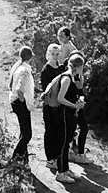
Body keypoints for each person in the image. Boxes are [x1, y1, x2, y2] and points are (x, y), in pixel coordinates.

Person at [44, 53, 86, 180]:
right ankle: (61, 173)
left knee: (66, 142)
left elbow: (78, 91)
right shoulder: (67, 78)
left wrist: (79, 101)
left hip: (68, 114)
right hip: (64, 114)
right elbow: (60, 98)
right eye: (82, 67)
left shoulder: (73, 77)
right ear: (79, 66)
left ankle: (65, 169)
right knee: (63, 143)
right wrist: (74, 106)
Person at [38, 44, 66, 175]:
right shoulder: (46, 70)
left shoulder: (61, 68)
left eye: (57, 54)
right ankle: (50, 159)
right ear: (48, 54)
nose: (55, 56)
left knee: (59, 132)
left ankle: (56, 157)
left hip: (60, 104)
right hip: (50, 105)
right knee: (50, 131)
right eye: (52, 53)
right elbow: (46, 89)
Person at [8, 46, 36, 166]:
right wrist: (23, 101)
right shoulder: (24, 71)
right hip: (20, 103)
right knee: (27, 134)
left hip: (15, 102)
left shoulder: (18, 67)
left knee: (23, 132)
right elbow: (20, 89)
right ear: (31, 58)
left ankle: (24, 160)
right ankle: (15, 158)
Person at [69, 51, 90, 159]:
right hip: (72, 106)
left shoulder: (79, 75)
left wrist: (82, 99)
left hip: (78, 105)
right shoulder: (69, 76)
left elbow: (80, 90)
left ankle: (81, 153)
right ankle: (70, 151)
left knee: (84, 128)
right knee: (71, 129)